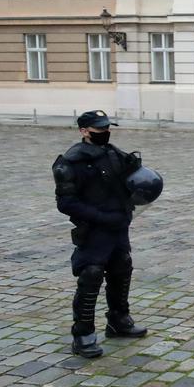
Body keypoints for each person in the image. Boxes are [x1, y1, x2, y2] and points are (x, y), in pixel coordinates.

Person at [52, 110, 150, 358]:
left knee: (122, 268)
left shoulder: (112, 152)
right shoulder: (71, 162)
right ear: (84, 131)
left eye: (107, 128)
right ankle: (83, 334)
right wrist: (101, 217)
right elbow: (66, 203)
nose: (105, 133)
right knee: (91, 275)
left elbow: (132, 179)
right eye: (99, 130)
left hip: (118, 225)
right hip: (95, 228)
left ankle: (119, 321)